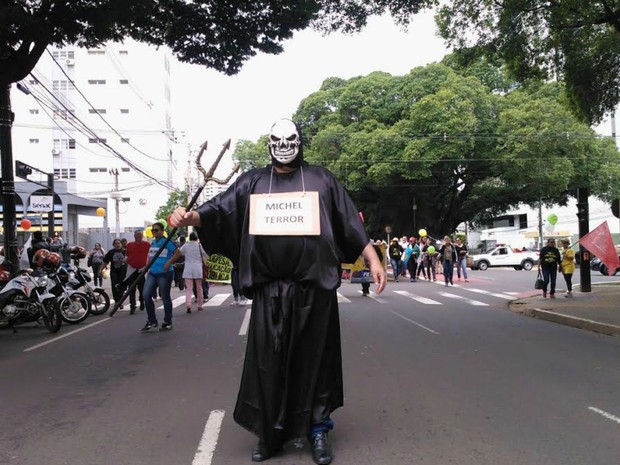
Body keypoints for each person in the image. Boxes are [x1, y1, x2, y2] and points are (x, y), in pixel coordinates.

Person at [169, 118, 385, 465]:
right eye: (277, 140)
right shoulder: (253, 181)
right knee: (268, 362)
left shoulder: (322, 180)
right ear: (270, 143)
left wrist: (371, 255)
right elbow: (219, 210)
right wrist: (187, 216)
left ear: (301, 141)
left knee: (316, 361)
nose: (284, 146)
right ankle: (271, 433)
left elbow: (349, 221)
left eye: (291, 139)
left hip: (314, 290)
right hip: (270, 290)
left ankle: (317, 429)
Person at [141, 221, 178, 331]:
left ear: (162, 231)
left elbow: (178, 252)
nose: (154, 232)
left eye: (156, 230)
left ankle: (167, 321)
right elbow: (151, 257)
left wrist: (169, 263)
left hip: (164, 274)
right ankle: (152, 321)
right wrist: (146, 267)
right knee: (146, 295)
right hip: (152, 273)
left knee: (165, 297)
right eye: (153, 230)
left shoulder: (167, 242)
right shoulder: (153, 243)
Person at [170, 232, 207, 313]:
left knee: (188, 288)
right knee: (199, 287)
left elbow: (179, 253)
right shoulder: (200, 246)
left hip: (188, 269)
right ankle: (200, 305)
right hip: (198, 268)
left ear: (189, 238)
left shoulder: (185, 246)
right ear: (196, 238)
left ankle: (188, 305)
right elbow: (205, 255)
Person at [124, 229, 151, 314]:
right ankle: (132, 306)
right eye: (137, 234)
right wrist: (125, 261)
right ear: (134, 236)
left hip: (142, 270)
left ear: (142, 236)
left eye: (140, 234)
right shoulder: (129, 245)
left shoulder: (147, 245)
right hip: (132, 269)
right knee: (131, 289)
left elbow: (150, 256)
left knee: (142, 289)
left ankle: (142, 302)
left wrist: (147, 267)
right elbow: (128, 256)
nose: (139, 236)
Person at [101, 239, 126, 308]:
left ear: (121, 244)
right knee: (114, 287)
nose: (117, 245)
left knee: (122, 287)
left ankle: (120, 301)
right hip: (114, 272)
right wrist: (100, 270)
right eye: (116, 243)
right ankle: (117, 301)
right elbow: (105, 262)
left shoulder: (125, 252)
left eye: (119, 243)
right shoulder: (111, 252)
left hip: (123, 272)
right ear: (114, 245)